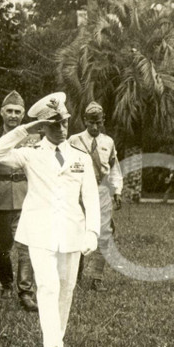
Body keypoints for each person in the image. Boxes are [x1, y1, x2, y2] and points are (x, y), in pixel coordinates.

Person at [0, 92, 100, 347]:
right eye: (54, 124)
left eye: (64, 122)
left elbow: (91, 197)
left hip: (71, 231)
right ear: (42, 127)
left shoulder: (81, 157)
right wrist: (26, 129)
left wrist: (92, 232)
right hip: (40, 231)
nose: (61, 129)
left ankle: (57, 342)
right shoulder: (30, 154)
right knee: (48, 286)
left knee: (66, 288)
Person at [0, 90, 39, 311]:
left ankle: (26, 292)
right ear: (1, 113)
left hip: (26, 198)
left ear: (23, 114)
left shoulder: (33, 138)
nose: (13, 115)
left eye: (17, 112)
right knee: (2, 247)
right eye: (9, 111)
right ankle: (6, 284)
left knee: (26, 246)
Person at [69, 102, 124, 290]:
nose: (94, 127)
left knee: (104, 233)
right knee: (78, 231)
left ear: (103, 121)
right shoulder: (74, 140)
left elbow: (114, 168)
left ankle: (96, 278)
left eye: (98, 123)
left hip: (102, 191)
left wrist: (117, 191)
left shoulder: (108, 142)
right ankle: (75, 276)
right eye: (91, 122)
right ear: (85, 120)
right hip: (79, 192)